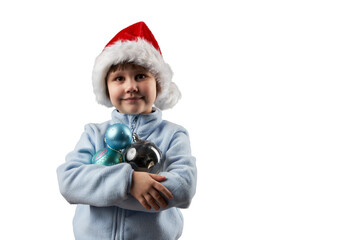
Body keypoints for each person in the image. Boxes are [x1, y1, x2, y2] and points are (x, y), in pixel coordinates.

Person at [56, 21, 197, 240]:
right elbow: (69, 181)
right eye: (119, 78)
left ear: (158, 83)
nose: (130, 86)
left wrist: (101, 188)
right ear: (107, 87)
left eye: (141, 76)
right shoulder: (94, 134)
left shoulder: (173, 135)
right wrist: (129, 182)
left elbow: (183, 187)